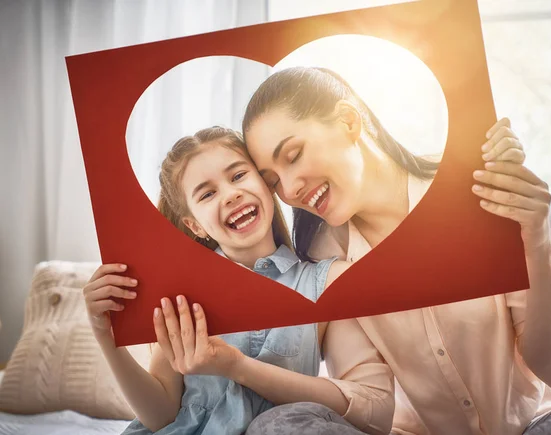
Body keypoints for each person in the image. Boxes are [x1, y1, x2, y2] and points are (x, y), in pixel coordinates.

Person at [241, 66, 551, 435]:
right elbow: (369, 402)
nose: (289, 189)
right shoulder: (324, 262)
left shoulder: (477, 190)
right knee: (276, 426)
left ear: (348, 121)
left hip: (537, 426)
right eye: (273, 181)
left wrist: (537, 235)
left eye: (293, 154)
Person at [83, 126, 394, 435]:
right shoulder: (181, 293)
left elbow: (371, 408)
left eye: (238, 176)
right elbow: (160, 416)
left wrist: (237, 367)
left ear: (266, 183)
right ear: (195, 226)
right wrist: (106, 338)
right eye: (207, 193)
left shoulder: (323, 282)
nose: (231, 195)